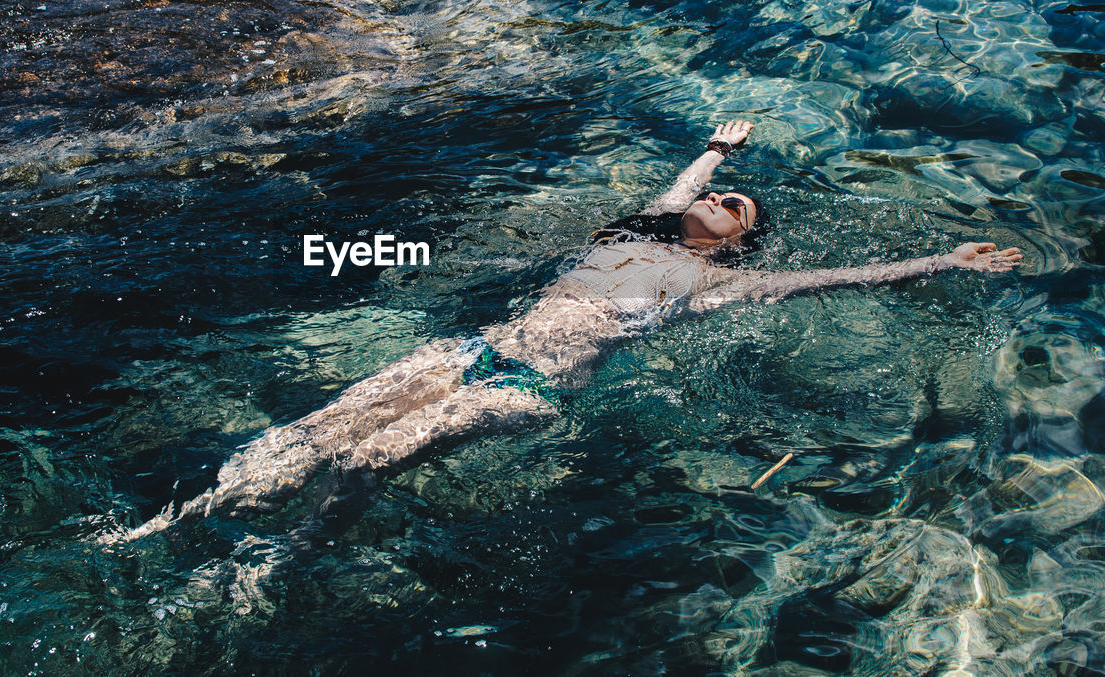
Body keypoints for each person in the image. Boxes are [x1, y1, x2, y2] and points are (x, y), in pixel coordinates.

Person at [109, 120, 1022, 541]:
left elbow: (836, 275)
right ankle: (177, 520)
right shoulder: (636, 236)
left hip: (529, 391)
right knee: (311, 433)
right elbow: (672, 193)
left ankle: (297, 554)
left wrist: (943, 261)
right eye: (715, 194)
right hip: (472, 349)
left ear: (739, 244)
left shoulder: (707, 289)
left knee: (367, 458)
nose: (712, 201)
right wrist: (717, 149)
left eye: (730, 204)